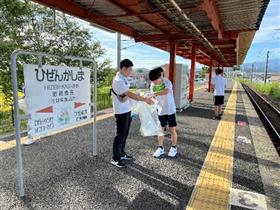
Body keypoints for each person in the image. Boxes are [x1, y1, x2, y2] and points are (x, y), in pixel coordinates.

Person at [111, 59, 154, 168]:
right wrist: (144, 99)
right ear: (123, 68)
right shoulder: (118, 80)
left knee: (124, 134)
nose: (130, 72)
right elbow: (130, 94)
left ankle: (121, 153)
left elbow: (129, 94)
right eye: (129, 70)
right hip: (120, 112)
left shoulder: (123, 79)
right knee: (120, 135)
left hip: (127, 110)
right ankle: (115, 158)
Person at [149, 67, 177, 158]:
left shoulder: (167, 82)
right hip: (160, 110)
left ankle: (173, 147)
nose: (153, 83)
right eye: (152, 81)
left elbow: (166, 91)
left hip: (170, 110)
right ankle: (160, 148)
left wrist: (154, 94)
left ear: (160, 76)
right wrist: (151, 99)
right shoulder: (152, 84)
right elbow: (153, 96)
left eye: (155, 81)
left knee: (172, 129)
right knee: (160, 130)